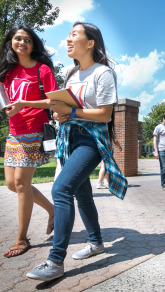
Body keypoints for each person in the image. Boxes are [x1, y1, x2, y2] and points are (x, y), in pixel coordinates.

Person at [25, 22, 127, 281]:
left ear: (90, 42)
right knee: (82, 194)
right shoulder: (72, 74)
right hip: (69, 138)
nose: (68, 40)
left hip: (91, 140)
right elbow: (58, 104)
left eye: (74, 35)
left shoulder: (102, 73)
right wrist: (37, 107)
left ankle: (55, 260)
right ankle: (96, 243)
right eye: (68, 35)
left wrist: (70, 112)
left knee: (60, 189)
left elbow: (104, 115)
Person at [0, 25, 56, 258]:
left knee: (20, 182)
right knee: (12, 184)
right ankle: (52, 210)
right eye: (17, 39)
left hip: (34, 131)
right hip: (14, 132)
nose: (22, 43)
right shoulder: (7, 72)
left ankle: (22, 238)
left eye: (27, 40)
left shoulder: (42, 70)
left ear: (33, 44)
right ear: (11, 43)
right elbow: (8, 108)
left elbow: (53, 102)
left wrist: (25, 103)